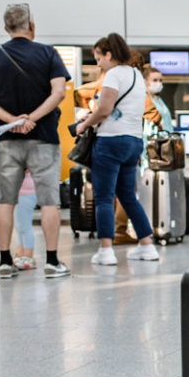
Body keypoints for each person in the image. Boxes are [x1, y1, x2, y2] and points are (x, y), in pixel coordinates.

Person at [0, 3, 71, 279]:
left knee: (6, 200)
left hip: (7, 139)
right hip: (44, 138)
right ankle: (52, 261)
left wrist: (12, 120)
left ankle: (5, 261)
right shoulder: (48, 53)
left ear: (6, 28)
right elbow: (59, 92)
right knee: (50, 201)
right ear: (32, 25)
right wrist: (33, 119)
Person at [72, 34, 156, 267]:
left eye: (99, 57)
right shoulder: (137, 76)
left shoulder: (113, 75)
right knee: (128, 195)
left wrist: (83, 124)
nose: (98, 63)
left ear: (109, 54)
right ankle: (146, 245)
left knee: (103, 197)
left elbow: (105, 109)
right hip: (133, 142)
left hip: (110, 142)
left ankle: (106, 250)